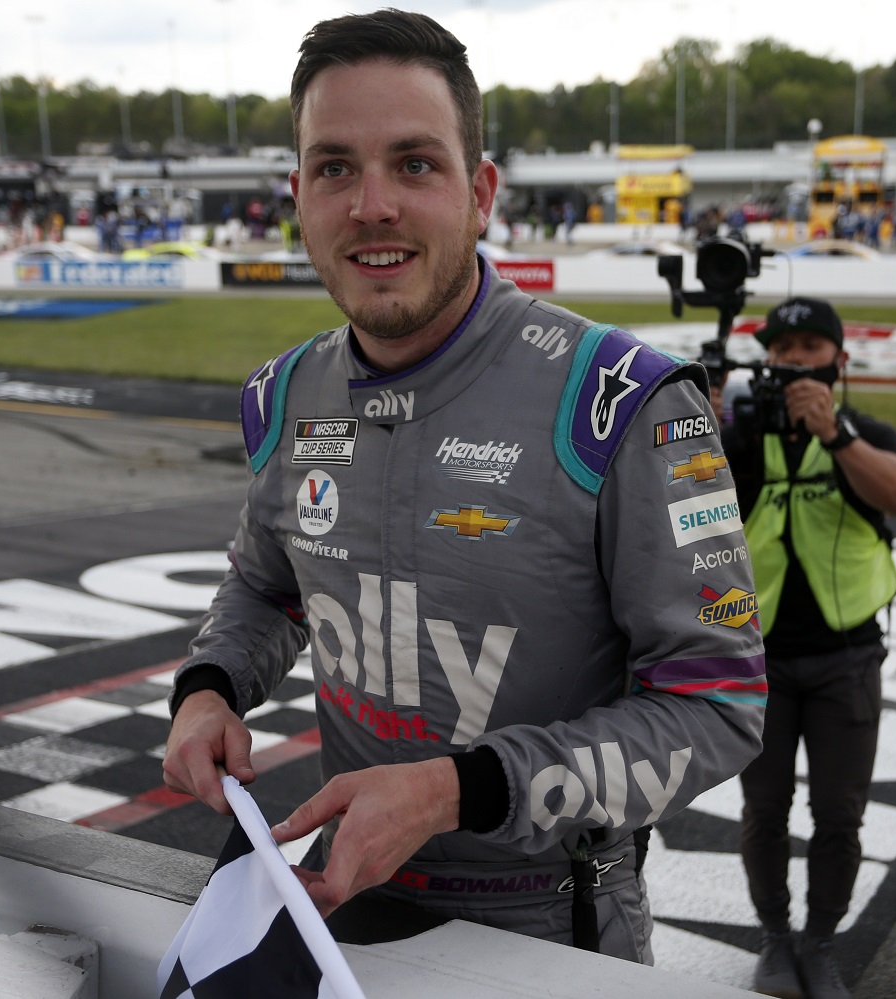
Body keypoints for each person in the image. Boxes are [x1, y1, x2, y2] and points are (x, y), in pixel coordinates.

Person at [161, 8, 766, 964]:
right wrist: (208, 686)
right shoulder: (282, 397)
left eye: (414, 163)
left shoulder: (623, 401)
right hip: (341, 906)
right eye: (334, 168)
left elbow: (717, 704)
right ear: (299, 195)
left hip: (553, 931)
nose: (371, 206)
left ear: (479, 192)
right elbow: (270, 586)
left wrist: (455, 788)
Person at [715, 298, 896, 999]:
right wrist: (697, 430)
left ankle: (821, 940)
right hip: (760, 657)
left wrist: (834, 434)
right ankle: (775, 936)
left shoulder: (869, 432)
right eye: (783, 348)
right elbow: (685, 509)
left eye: (810, 346)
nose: (796, 359)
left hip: (847, 657)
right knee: (764, 809)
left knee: (839, 814)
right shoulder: (741, 436)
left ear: (839, 361)